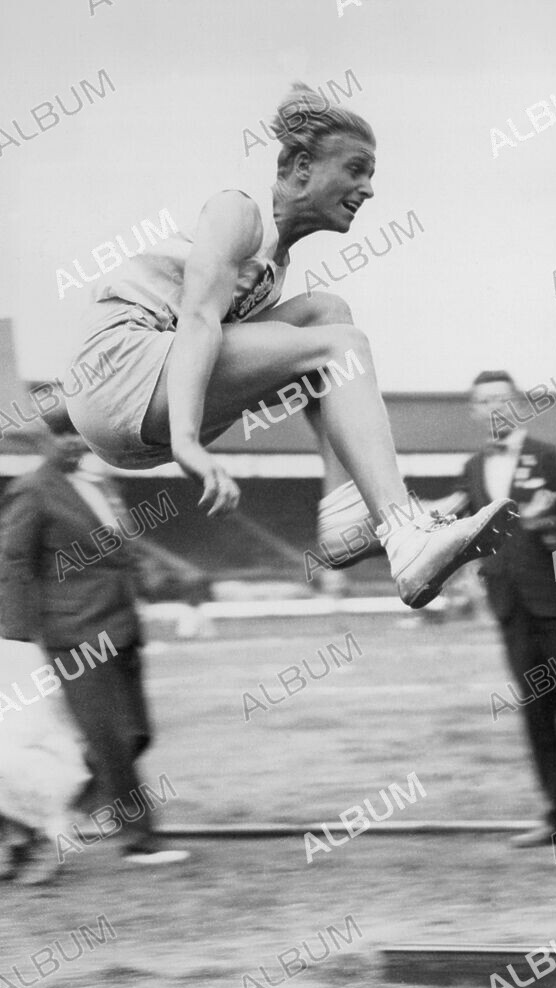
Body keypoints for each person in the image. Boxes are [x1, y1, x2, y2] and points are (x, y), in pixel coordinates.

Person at [63, 83, 515, 610]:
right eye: (356, 169)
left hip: (141, 419)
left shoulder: (276, 270)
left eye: (370, 175)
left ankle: (348, 509)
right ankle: (405, 530)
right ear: (301, 166)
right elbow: (199, 319)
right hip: (117, 371)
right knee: (339, 344)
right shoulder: (239, 212)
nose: (368, 188)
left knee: (328, 312)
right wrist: (188, 443)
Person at [0, 401, 188, 867]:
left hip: (123, 625)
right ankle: (139, 840)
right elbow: (14, 561)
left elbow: (117, 554)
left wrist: (145, 587)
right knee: (111, 739)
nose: (70, 443)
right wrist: (18, 635)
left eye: (77, 435)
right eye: (60, 435)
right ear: (43, 439)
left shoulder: (101, 483)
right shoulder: (33, 491)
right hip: (75, 634)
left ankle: (54, 808)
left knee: (138, 733)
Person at [458, 370, 556, 848]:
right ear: (474, 411)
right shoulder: (471, 467)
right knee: (535, 712)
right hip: (511, 607)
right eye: (483, 401)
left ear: (519, 405)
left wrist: (541, 521)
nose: (493, 408)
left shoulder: (551, 458)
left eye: (501, 399)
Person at [0, 637, 89, 885]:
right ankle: (17, 845)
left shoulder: (21, 655)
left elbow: (32, 725)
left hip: (42, 753)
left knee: (8, 762)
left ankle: (39, 847)